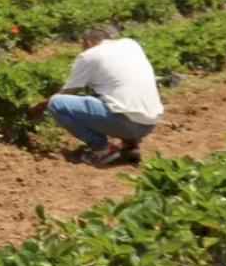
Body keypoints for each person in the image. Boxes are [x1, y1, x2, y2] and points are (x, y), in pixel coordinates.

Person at [28, 25, 164, 166]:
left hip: (124, 123)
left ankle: (102, 149)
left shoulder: (89, 56)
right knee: (115, 94)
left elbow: (68, 92)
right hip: (149, 123)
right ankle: (130, 146)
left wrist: (38, 108)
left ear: (87, 42)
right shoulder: (131, 44)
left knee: (56, 103)